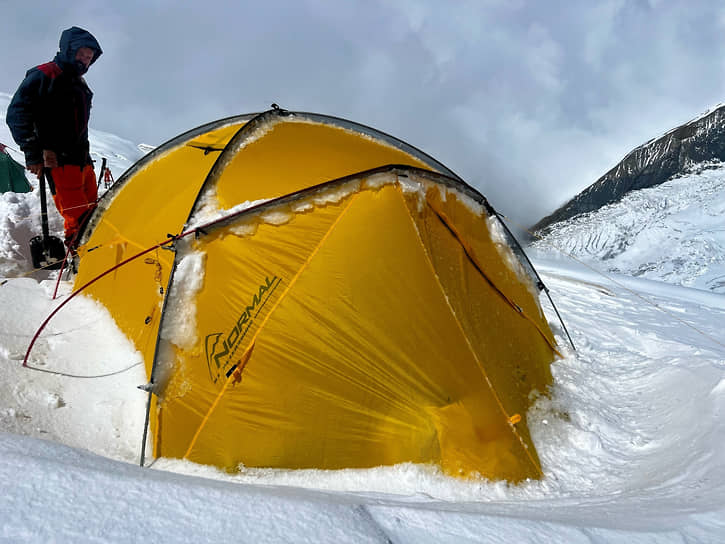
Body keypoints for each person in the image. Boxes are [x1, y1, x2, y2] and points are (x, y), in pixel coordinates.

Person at [6, 26, 103, 248]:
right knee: (78, 219)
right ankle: (79, 260)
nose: (85, 61)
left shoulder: (79, 83)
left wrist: (87, 159)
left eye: (89, 58)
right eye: (82, 54)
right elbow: (17, 114)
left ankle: (94, 252)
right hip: (59, 160)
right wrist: (33, 153)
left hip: (82, 161)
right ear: (69, 49)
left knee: (94, 213)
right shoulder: (44, 74)